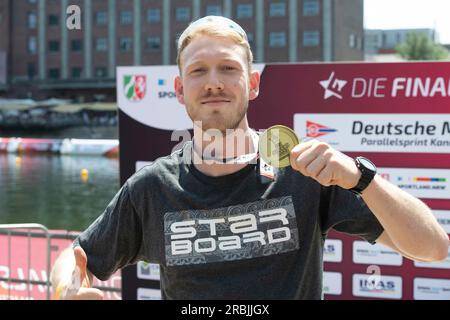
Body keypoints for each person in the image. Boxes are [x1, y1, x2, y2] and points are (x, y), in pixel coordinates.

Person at [50, 16, 449, 300]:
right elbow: (76, 254)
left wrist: (362, 178)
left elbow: (433, 248)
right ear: (179, 88)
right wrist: (65, 290)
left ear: (252, 83)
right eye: (198, 71)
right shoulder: (152, 187)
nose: (213, 83)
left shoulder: (304, 171)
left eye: (228, 68)